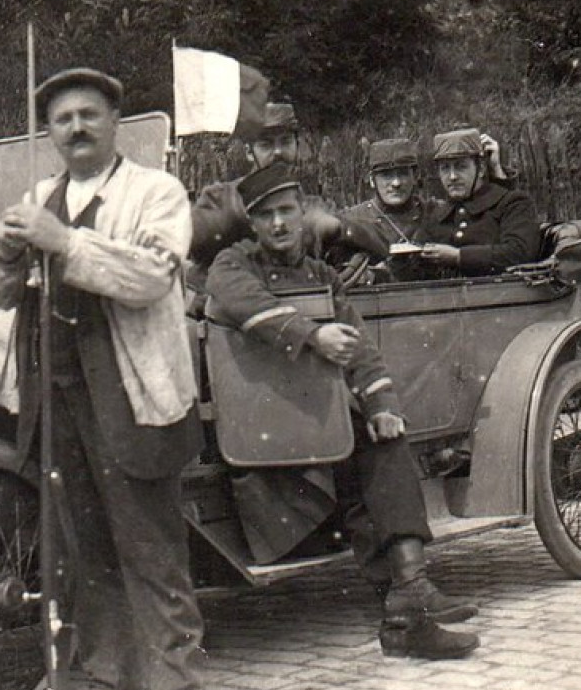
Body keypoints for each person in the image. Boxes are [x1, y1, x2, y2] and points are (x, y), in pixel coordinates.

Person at [0, 67, 210, 690]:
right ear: (49, 133)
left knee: (151, 552)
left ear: (114, 123)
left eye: (89, 115)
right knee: (84, 550)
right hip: (56, 394)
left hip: (133, 398)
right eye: (63, 119)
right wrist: (12, 248)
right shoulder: (38, 197)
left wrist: (62, 242)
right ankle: (107, 681)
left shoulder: (155, 192)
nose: (76, 128)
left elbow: (149, 278)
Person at [205, 161, 481, 661]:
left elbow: (359, 351)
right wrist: (312, 334)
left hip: (318, 424)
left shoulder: (321, 276)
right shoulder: (233, 264)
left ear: (303, 215)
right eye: (266, 216)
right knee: (360, 459)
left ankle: (410, 592)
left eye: (287, 211)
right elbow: (244, 304)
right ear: (252, 223)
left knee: (383, 436)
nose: (279, 225)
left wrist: (381, 404)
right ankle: (407, 603)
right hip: (268, 433)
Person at [190, 102, 391, 279]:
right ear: (249, 153)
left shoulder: (312, 204)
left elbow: (380, 244)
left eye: (285, 142)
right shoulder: (224, 198)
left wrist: (339, 229)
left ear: (297, 146)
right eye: (266, 144)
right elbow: (188, 241)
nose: (278, 152)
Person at [418, 128, 542, 276]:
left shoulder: (513, 204)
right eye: (445, 168)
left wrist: (458, 256)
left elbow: (520, 253)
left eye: (461, 167)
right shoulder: (436, 213)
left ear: (481, 168)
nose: (452, 177)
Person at [339, 137, 432, 284]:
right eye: (386, 175)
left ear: (415, 176)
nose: (396, 183)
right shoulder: (352, 220)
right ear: (371, 180)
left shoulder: (434, 214)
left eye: (402, 173)